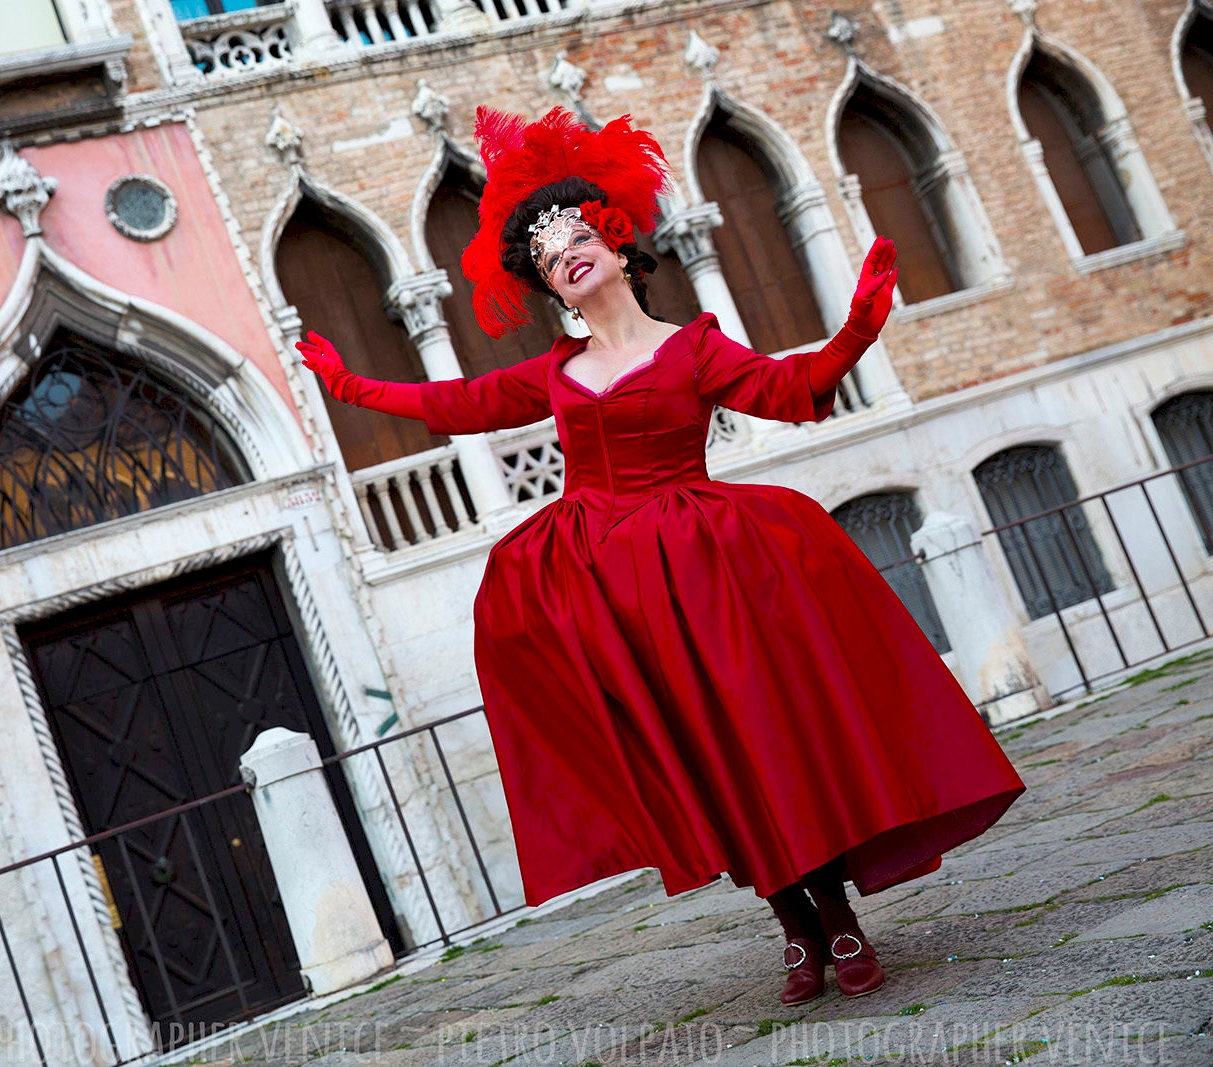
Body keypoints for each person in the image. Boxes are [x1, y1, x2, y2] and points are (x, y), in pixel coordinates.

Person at [296, 107, 1026, 1005]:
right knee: (703, 761)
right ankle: (791, 925)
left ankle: (836, 916)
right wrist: (345, 385)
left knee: (766, 743)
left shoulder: (696, 348)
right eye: (546, 251)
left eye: (575, 233)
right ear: (554, 289)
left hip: (710, 578)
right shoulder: (552, 375)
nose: (564, 250)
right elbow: (454, 405)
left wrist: (857, 331)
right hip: (610, 593)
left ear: (614, 242)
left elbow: (791, 391)